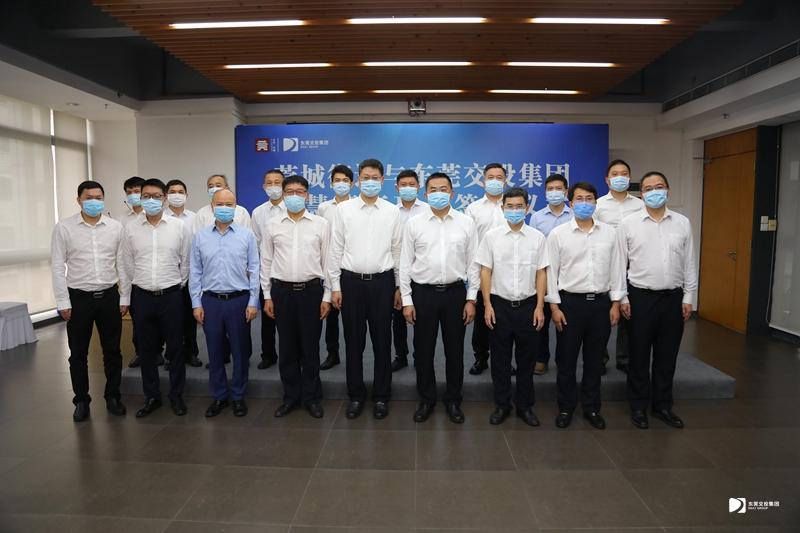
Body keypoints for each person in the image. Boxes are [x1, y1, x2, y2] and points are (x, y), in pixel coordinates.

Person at [618, 171, 697, 430]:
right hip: (640, 297)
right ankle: (638, 406)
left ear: (668, 190)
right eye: (649, 188)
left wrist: (689, 296)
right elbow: (619, 264)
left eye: (659, 187)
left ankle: (663, 406)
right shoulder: (629, 223)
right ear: (641, 194)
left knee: (667, 356)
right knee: (638, 355)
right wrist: (622, 297)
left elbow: (689, 262)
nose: (654, 192)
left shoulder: (682, 223)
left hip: (673, 298)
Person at [546, 182, 626, 430]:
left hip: (601, 304)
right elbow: (551, 273)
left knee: (594, 361)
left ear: (595, 203)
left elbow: (617, 268)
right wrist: (555, 307)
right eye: (579, 199)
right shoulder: (558, 234)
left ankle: (592, 407)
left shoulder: (609, 233)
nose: (584, 203)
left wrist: (616, 302)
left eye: (589, 198)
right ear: (570, 203)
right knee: (566, 360)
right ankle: (566, 407)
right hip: (570, 303)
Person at [400, 172, 478, 424]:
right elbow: (404, 264)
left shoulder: (466, 223)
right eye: (433, 190)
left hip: (456, 294)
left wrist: (471, 299)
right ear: (425, 194)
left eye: (443, 189)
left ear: (452, 193)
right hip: (423, 294)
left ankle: (453, 400)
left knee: (455, 350)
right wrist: (407, 300)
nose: (438, 194)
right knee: (423, 350)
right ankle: (426, 399)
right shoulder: (414, 224)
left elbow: (473, 264)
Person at [329, 158, 402, 420]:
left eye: (375, 178)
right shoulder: (344, 210)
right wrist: (335, 286)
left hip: (383, 283)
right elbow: (335, 249)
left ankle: (381, 396)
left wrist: (398, 287)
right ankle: (356, 395)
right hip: (351, 283)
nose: (370, 182)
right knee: (354, 342)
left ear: (382, 180)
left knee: (383, 342)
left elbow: (397, 250)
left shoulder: (392, 211)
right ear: (358, 181)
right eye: (365, 177)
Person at [51, 180, 127, 422]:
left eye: (99, 197)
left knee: (112, 351)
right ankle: (81, 401)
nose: (95, 202)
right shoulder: (64, 228)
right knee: (78, 353)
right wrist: (63, 301)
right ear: (79, 200)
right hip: (78, 298)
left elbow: (122, 263)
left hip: (109, 296)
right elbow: (57, 266)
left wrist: (124, 295)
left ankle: (113, 396)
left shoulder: (115, 227)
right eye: (89, 198)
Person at [120, 178, 191, 418]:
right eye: (146, 196)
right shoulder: (131, 228)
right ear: (141, 199)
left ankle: (176, 396)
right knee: (147, 350)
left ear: (165, 199)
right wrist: (132, 290)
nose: (151, 200)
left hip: (171, 295)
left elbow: (185, 261)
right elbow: (127, 263)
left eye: (156, 196)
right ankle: (152, 396)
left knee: (176, 348)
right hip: (142, 296)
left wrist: (177, 283)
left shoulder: (179, 227)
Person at [261, 176, 331, 418]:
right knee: (287, 347)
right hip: (282, 292)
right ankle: (290, 397)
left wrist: (327, 296)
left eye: (299, 192)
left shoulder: (321, 224)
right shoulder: (272, 224)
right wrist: (267, 296)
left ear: (307, 195)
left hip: (311, 292)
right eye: (289, 191)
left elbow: (328, 262)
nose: (294, 196)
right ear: (283, 195)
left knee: (310, 347)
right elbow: (266, 261)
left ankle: (311, 397)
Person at [477, 187, 547, 427]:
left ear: (527, 208)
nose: (515, 210)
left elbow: (541, 273)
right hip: (499, 305)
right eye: (510, 206)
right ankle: (502, 405)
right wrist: (487, 305)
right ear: (503, 208)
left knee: (527, 360)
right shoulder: (491, 237)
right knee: (500, 360)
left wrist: (540, 306)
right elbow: (485, 271)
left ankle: (525, 406)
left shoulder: (537, 238)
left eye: (519, 206)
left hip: (528, 306)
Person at [190, 189, 261, 418]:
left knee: (240, 352)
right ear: (212, 206)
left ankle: (238, 396)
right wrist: (196, 303)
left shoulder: (246, 236)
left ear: (235, 207)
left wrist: (253, 302)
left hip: (239, 300)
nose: (224, 208)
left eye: (229, 204)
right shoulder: (200, 237)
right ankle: (219, 395)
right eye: (219, 204)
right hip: (210, 301)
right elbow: (195, 271)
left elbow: (255, 269)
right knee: (215, 352)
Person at [594, 159, 644, 374]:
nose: (619, 177)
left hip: (633, 263)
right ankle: (600, 358)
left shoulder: (640, 205)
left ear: (630, 178)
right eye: (615, 174)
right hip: (605, 263)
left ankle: (624, 358)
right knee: (603, 314)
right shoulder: (598, 205)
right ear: (607, 180)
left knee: (628, 312)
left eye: (624, 173)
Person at [465, 163, 507, 375]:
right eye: (491, 177)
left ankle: (505, 361)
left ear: (505, 181)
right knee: (482, 319)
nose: (495, 181)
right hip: (483, 271)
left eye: (499, 177)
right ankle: (480, 358)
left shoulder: (512, 206)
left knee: (506, 320)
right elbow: (470, 245)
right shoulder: (473, 209)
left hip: (508, 271)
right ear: (483, 181)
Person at [530, 173, 573, 375]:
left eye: (558, 188)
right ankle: (541, 358)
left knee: (566, 321)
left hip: (568, 275)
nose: (554, 192)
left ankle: (563, 359)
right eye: (550, 189)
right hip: (544, 274)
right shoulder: (537, 217)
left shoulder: (574, 215)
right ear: (545, 192)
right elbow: (532, 246)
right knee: (541, 319)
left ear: (566, 192)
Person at [391, 169, 430, 372]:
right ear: (396, 188)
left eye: (412, 184)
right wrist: (398, 283)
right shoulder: (391, 212)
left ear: (419, 187)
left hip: (423, 273)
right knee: (398, 318)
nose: (407, 188)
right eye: (403, 185)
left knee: (421, 318)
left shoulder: (428, 209)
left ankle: (419, 355)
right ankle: (401, 355)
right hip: (398, 272)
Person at [317, 164, 354, 371]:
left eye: (345, 181)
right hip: (328, 265)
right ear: (331, 183)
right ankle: (333, 353)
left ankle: (352, 354)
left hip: (349, 266)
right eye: (337, 180)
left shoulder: (356, 206)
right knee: (330, 313)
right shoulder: (324, 208)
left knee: (351, 316)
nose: (341, 184)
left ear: (352, 184)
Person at [251, 169, 286, 371]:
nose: (273, 186)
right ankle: (268, 354)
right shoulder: (258, 212)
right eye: (269, 183)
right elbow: (256, 242)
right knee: (268, 316)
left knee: (288, 318)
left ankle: (291, 354)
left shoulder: (292, 208)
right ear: (264, 186)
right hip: (267, 271)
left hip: (287, 272)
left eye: (277, 182)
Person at [164, 179, 202, 368]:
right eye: (173, 191)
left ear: (187, 195)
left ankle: (191, 352)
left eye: (180, 191)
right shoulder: (161, 217)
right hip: (168, 274)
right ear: (166, 196)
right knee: (171, 320)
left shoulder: (195, 218)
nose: (177, 195)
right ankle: (171, 355)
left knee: (189, 316)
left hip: (191, 274)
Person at [122, 175, 148, 370]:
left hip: (156, 276)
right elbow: (123, 254)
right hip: (133, 279)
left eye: (137, 191)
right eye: (129, 192)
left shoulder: (156, 215)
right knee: (139, 320)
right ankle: (140, 353)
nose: (133, 195)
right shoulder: (122, 220)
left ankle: (158, 353)